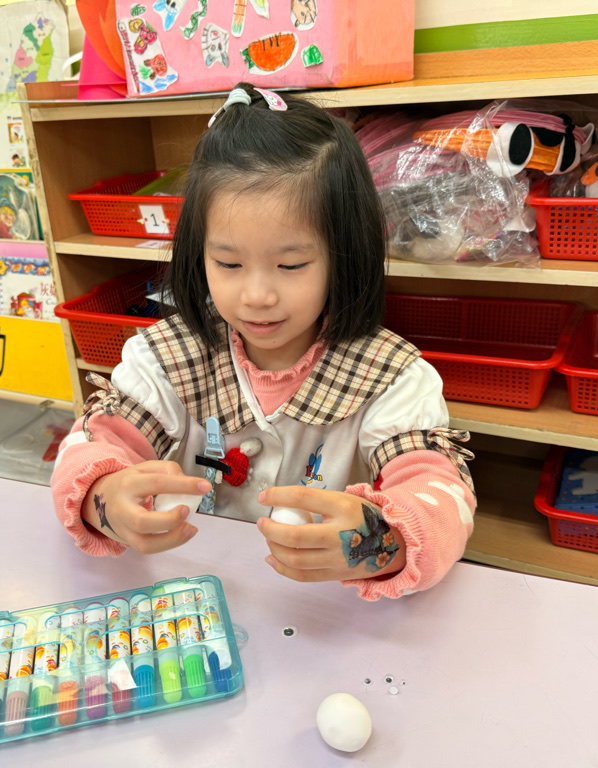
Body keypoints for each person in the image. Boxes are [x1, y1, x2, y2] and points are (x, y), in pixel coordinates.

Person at [51, 83, 476, 600]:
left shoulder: (391, 378)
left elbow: (440, 494)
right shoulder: (168, 358)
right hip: (193, 598)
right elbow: (91, 447)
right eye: (228, 263)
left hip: (327, 609)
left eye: (291, 265)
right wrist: (103, 495)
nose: (256, 296)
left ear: (345, 254)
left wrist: (387, 541)